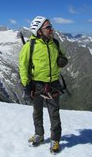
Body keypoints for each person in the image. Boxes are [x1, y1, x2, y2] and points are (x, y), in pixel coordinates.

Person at [19, 16, 67, 153]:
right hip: (37, 85)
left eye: (50, 26)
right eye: (48, 27)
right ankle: (39, 134)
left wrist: (63, 60)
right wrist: (27, 86)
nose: (51, 29)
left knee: (54, 113)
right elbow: (23, 66)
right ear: (39, 31)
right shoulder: (30, 45)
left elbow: (63, 56)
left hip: (53, 84)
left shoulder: (55, 43)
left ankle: (55, 140)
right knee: (37, 111)